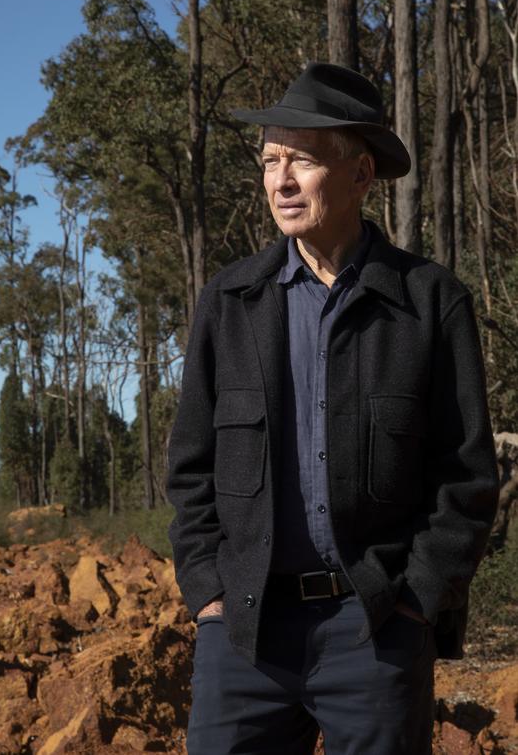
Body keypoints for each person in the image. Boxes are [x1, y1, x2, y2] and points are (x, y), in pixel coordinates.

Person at [166, 62, 499, 755]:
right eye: (270, 161)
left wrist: (415, 600)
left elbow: (464, 475)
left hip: (373, 629)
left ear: (359, 175)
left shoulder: (429, 303)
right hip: (246, 634)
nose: (280, 181)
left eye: (303, 161)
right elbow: (190, 469)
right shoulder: (229, 304)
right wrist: (208, 595)